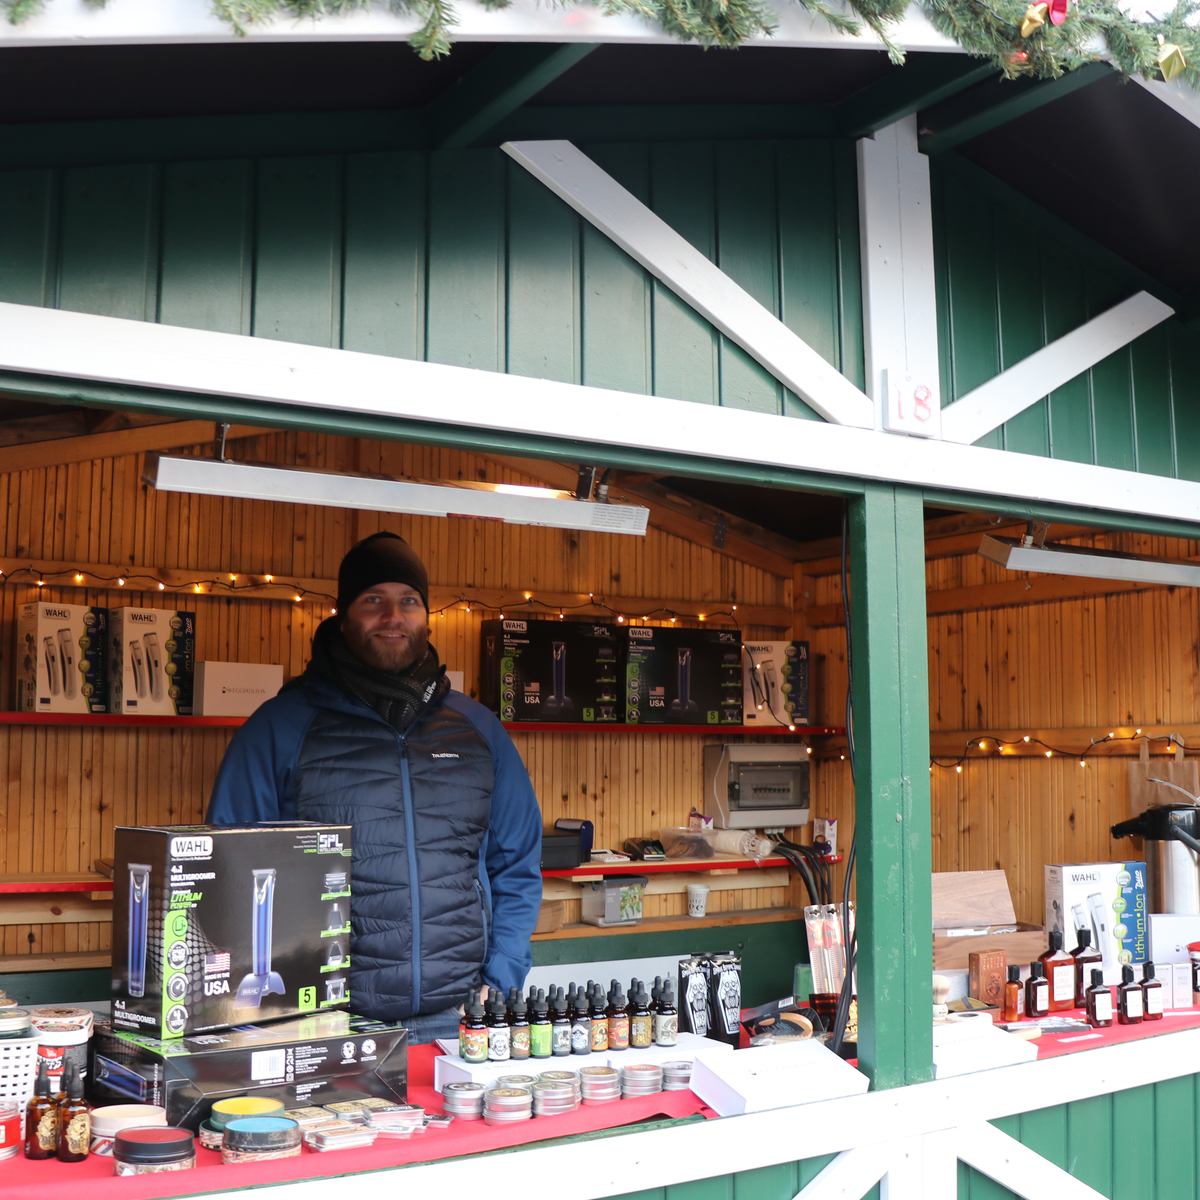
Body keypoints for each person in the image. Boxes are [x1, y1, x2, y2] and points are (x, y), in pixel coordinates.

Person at [206, 532, 543, 1044]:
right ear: (343, 616)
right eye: (373, 600)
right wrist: (272, 1010)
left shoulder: (477, 730)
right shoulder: (279, 728)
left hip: (459, 1017)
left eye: (409, 601)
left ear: (427, 617)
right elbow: (227, 873)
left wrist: (503, 975)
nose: (392, 616)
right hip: (326, 1027)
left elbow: (517, 862)